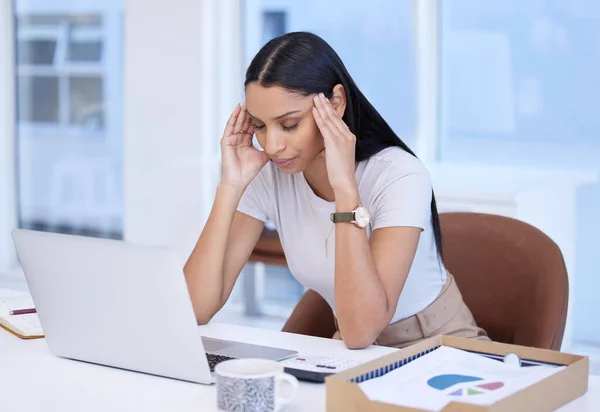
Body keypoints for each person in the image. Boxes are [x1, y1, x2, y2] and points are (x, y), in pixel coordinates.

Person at [184, 32, 488, 349]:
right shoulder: (269, 174)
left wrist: (345, 188)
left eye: (289, 124)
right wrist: (229, 186)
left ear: (336, 103)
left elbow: (360, 331)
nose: (272, 146)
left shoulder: (398, 175)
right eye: (259, 125)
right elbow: (194, 309)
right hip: (354, 350)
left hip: (440, 347)